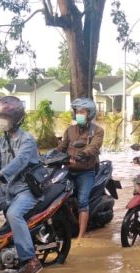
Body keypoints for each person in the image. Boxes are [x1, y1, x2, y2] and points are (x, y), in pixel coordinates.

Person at [0, 96, 42, 273]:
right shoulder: (3, 140)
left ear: (15, 119)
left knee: (14, 214)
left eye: (4, 117)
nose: (0, 121)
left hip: (25, 190)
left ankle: (30, 260)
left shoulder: (27, 140)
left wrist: (0, 173)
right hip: (6, 190)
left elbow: (20, 161)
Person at [56, 98, 105, 244]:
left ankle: (80, 237)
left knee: (82, 201)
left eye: (82, 111)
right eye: (77, 111)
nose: (79, 114)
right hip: (68, 170)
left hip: (86, 171)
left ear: (89, 114)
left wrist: (82, 154)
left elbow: (94, 147)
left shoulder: (97, 131)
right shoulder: (70, 130)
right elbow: (62, 147)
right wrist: (49, 155)